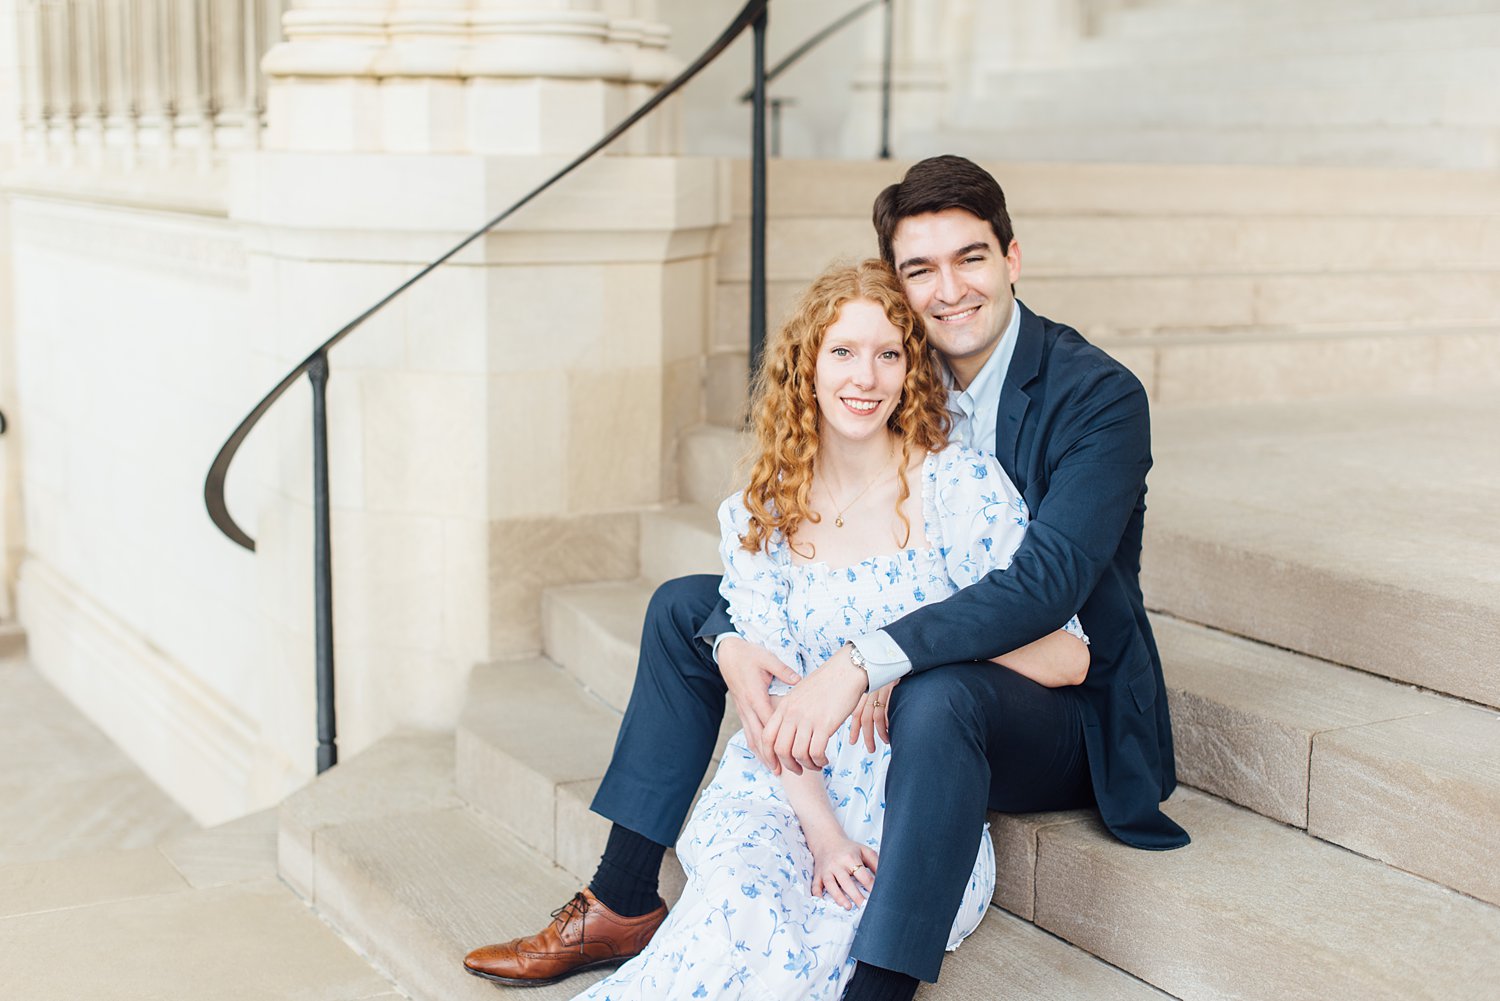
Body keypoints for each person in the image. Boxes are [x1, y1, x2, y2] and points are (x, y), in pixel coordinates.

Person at [463, 156, 1189, 1001]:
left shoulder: (1095, 397)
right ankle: (623, 897)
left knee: (933, 690)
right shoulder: (898, 379)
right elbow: (802, 525)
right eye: (921, 269)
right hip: (891, 670)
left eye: (972, 258)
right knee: (686, 610)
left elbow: (1048, 590)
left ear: (1012, 259)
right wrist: (735, 642)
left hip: (1057, 702)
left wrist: (870, 657)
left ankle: (879, 982)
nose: (950, 289)